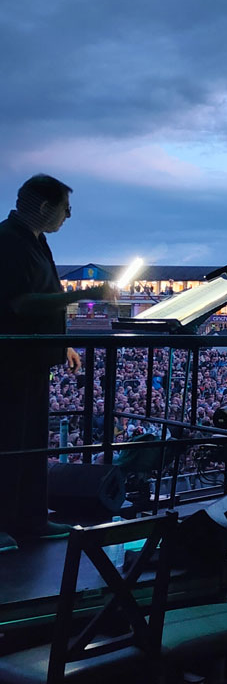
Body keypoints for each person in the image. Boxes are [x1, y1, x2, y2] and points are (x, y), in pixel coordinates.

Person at [0, 175, 115, 549]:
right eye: (65, 207)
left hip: (32, 357)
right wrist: (86, 294)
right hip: (9, 362)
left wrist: (62, 343)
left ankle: (30, 519)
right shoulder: (8, 241)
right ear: (44, 207)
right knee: (8, 443)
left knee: (31, 446)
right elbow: (21, 302)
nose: (69, 215)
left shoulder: (36, 241)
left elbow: (41, 296)